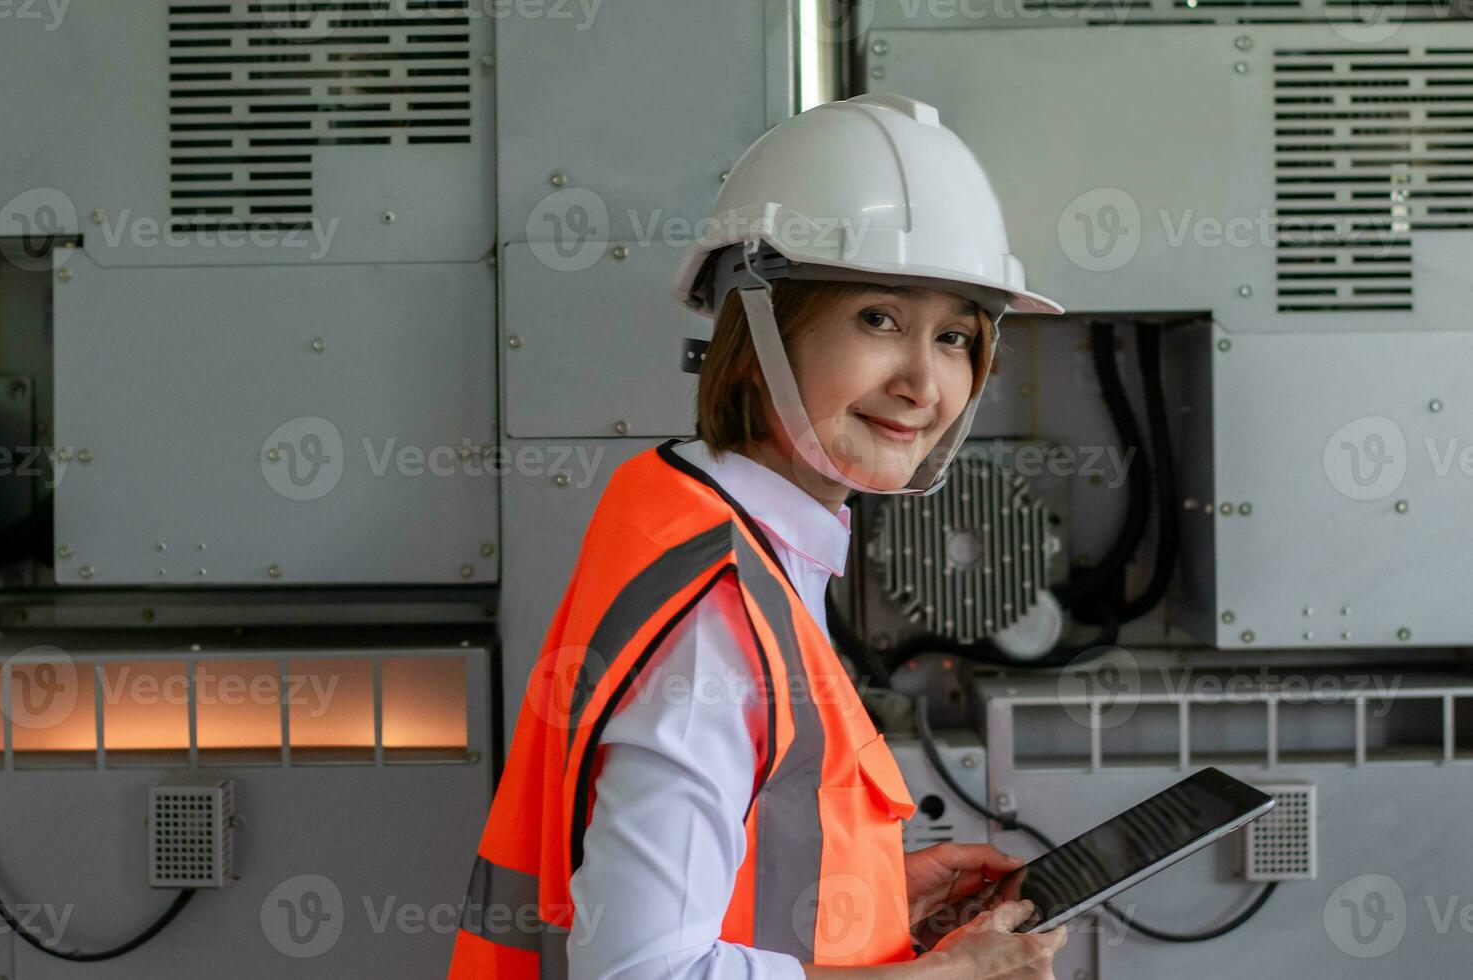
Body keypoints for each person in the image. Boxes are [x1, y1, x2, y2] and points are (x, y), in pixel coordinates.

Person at [449, 93, 1067, 979]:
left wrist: (862, 894)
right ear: (763, 327)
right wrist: (946, 977)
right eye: (879, 318)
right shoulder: (720, 618)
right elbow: (641, 974)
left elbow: (729, 877)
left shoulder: (729, 539)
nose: (923, 384)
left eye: (956, 337)